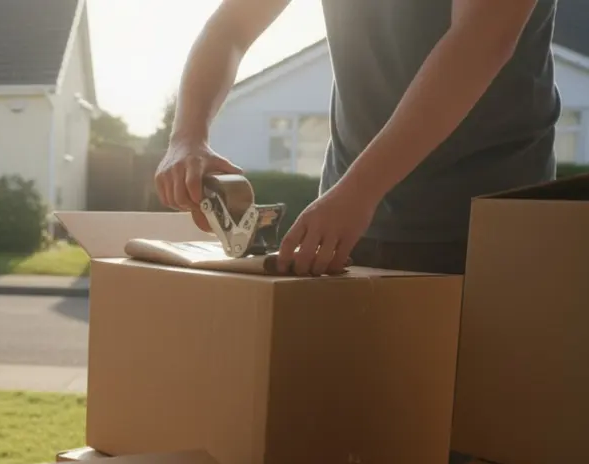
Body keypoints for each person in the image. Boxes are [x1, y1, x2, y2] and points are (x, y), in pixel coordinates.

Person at [155, 0, 559, 277]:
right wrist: (187, 136)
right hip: (350, 228)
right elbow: (232, 26)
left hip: (492, 229)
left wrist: (360, 191)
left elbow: (481, 39)